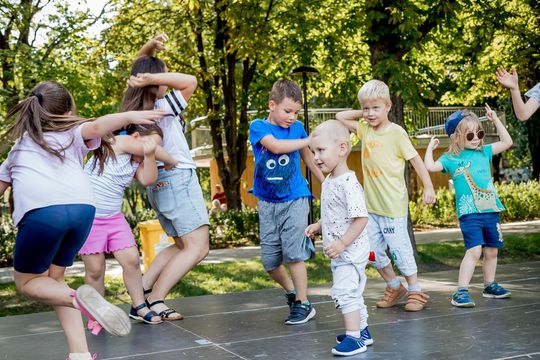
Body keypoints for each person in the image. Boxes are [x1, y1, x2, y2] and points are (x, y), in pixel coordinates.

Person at [0, 81, 165, 360]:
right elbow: (98, 126)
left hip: (44, 213)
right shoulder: (73, 133)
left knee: (27, 283)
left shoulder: (20, 146)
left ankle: (82, 300)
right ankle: (80, 354)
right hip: (83, 211)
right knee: (56, 282)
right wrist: (129, 117)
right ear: (67, 111)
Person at [122, 34, 209, 321]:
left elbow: (138, 67)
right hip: (177, 179)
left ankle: (143, 293)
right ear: (152, 83)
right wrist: (151, 78)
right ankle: (157, 299)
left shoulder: (133, 109)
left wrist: (148, 48)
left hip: (161, 184)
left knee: (182, 246)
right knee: (198, 247)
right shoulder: (162, 107)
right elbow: (190, 81)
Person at [336, 79, 436, 312]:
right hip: (370, 208)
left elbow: (416, 161)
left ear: (389, 106)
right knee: (372, 253)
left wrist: (429, 187)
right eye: (366, 109)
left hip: (392, 208)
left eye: (376, 108)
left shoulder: (396, 133)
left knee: (400, 251)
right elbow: (341, 117)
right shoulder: (364, 129)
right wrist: (364, 110)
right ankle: (394, 285)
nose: (370, 114)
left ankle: (415, 290)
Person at [80, 124, 178, 327]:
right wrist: (170, 160)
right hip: (89, 216)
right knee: (95, 269)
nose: (150, 151)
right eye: (149, 145)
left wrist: (150, 156)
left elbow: (148, 179)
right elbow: (159, 153)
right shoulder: (119, 142)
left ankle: (140, 306)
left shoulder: (138, 159)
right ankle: (96, 313)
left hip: (114, 217)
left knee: (132, 260)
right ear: (135, 136)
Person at [249, 79, 325, 324]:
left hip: (295, 197)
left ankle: (303, 303)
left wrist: (328, 183)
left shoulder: (298, 128)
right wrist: (308, 139)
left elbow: (309, 159)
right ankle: (293, 293)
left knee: (294, 253)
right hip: (268, 203)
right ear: (272, 105)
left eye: (295, 112)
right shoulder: (258, 127)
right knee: (270, 262)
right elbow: (277, 147)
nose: (292, 117)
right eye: (287, 111)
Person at [424, 106, 513, 307]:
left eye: (479, 133)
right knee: (474, 251)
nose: (476, 138)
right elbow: (430, 167)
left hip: (491, 209)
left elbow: (507, 142)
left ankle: (489, 285)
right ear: (456, 137)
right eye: (470, 134)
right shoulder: (450, 158)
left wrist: (495, 120)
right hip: (469, 213)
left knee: (492, 251)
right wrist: (430, 147)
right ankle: (461, 291)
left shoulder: (484, 151)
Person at [305, 120, 373, 356]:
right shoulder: (331, 181)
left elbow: (360, 219)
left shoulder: (348, 183)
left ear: (342, 148)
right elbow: (335, 214)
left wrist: (343, 242)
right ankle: (362, 331)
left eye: (321, 150)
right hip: (342, 250)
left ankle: (354, 338)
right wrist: (319, 225)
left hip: (350, 251)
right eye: (313, 152)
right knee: (353, 292)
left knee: (345, 292)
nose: (315, 157)